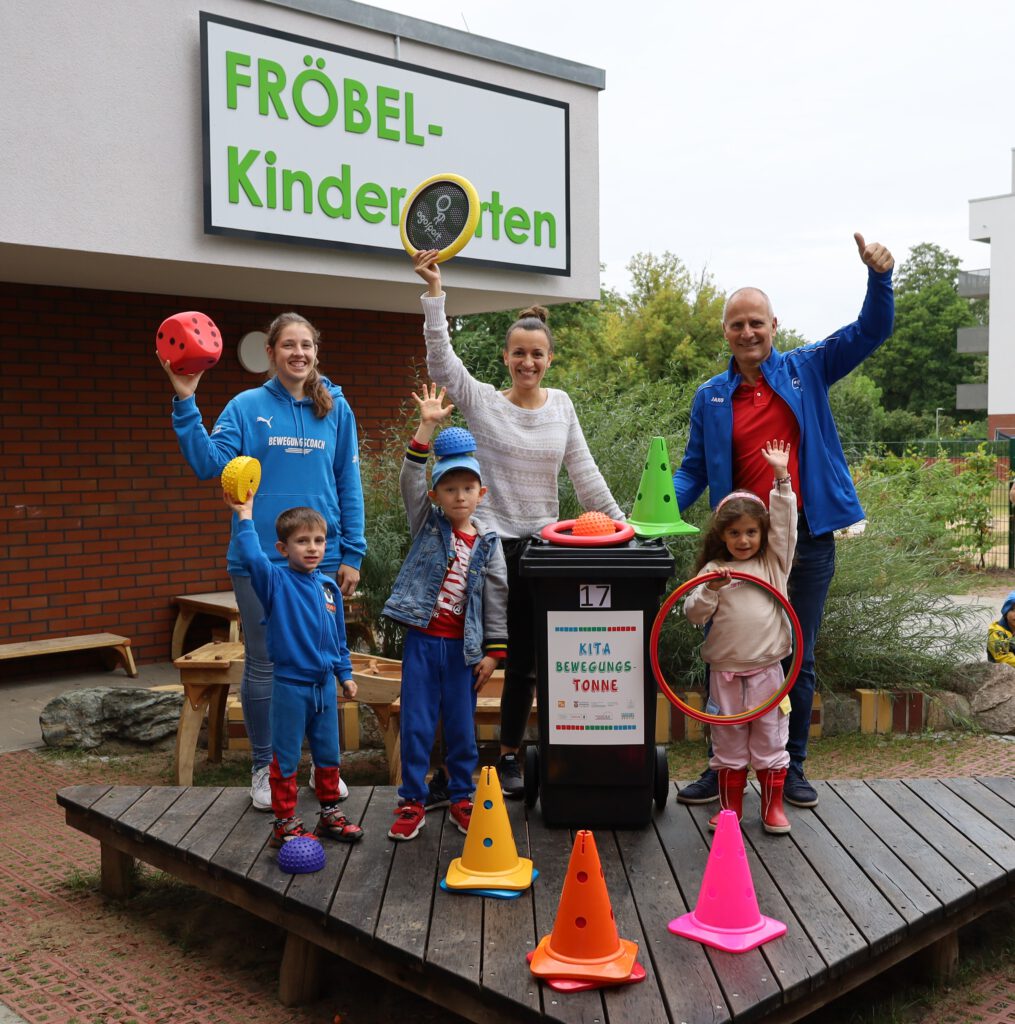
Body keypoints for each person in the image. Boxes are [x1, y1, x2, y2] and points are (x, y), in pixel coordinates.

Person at [673, 232, 895, 809]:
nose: (748, 332)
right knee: (725, 650)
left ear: (775, 325)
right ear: (725, 332)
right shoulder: (711, 397)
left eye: (757, 323)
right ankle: (720, 767)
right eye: (737, 324)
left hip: (807, 539)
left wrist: (879, 279)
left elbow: (869, 332)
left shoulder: (807, 369)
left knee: (800, 653)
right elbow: (692, 471)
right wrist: (649, 512)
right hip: (739, 545)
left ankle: (787, 769)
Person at [412, 249, 624, 797]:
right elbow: (442, 365)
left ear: (548, 358)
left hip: (540, 551)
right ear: (505, 357)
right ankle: (444, 770)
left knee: (526, 663)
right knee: (460, 657)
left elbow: (585, 476)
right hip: (482, 547)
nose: (527, 362)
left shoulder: (562, 407)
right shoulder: (484, 403)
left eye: (537, 354)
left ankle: (507, 755)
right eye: (518, 354)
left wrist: (626, 532)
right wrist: (436, 296)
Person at [163, 313, 366, 811]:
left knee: (320, 663)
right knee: (265, 662)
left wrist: (352, 552)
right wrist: (186, 398)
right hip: (259, 562)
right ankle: (263, 767)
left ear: (316, 352)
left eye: (307, 346)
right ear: (271, 353)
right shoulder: (247, 406)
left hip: (324, 559)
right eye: (289, 345)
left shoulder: (336, 408)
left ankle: (324, 765)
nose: (299, 353)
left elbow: (349, 485)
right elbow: (209, 464)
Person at [381, 385, 508, 840]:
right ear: (435, 496)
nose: (459, 496)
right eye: (449, 489)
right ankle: (411, 800)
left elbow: (497, 601)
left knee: (460, 728)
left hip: (463, 652)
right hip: (422, 644)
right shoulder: (427, 524)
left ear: (481, 492)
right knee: (415, 723)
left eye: (467, 488)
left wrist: (493, 654)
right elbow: (408, 482)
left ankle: (460, 798)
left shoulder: (489, 545)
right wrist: (425, 428)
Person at [225, 493, 364, 846]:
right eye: (302, 541)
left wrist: (344, 674)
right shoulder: (275, 582)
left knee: (329, 754)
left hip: (324, 690)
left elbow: (337, 638)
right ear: (284, 548)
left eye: (318, 540)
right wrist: (244, 516)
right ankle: (284, 822)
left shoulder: (328, 587)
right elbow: (252, 557)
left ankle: (330, 814)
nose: (313, 548)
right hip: (290, 687)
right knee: (286, 756)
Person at [684, 441, 796, 834]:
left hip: (767, 671)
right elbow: (692, 612)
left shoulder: (773, 562)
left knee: (769, 740)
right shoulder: (714, 569)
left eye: (751, 532)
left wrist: (781, 478)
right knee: (727, 743)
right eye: (735, 533)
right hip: (725, 673)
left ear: (762, 534)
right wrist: (711, 589)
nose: (744, 540)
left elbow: (785, 526)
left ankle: (772, 809)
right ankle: (730, 810)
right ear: (723, 536)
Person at [986, 591, 1015, 667]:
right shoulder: (997, 632)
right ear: (1005, 612)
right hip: (1001, 673)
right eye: (1013, 610)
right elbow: (1003, 657)